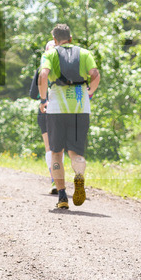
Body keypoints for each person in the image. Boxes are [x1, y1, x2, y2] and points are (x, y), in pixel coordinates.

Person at [38, 24, 100, 210]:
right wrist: (89, 92)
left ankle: (63, 196)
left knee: (57, 152)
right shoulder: (84, 53)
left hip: (57, 108)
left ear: (55, 41)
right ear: (71, 38)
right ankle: (79, 177)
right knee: (76, 153)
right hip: (80, 108)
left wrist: (43, 99)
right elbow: (95, 75)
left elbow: (43, 76)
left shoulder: (50, 54)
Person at [28, 40, 58, 194]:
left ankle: (54, 179)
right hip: (65, 110)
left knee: (49, 147)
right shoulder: (67, 68)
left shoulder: (42, 69)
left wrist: (43, 97)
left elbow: (33, 93)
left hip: (45, 110)